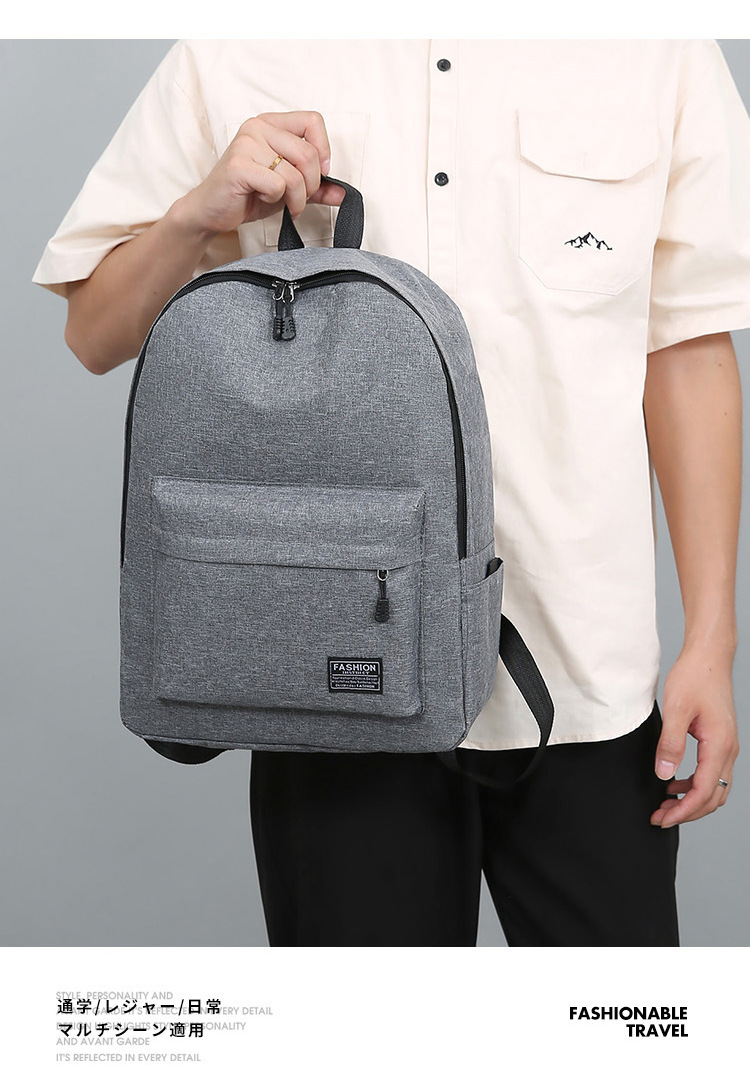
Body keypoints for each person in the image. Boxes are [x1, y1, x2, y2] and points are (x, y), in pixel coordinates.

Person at [33, 39, 748, 947]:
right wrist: (192, 219)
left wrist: (711, 640)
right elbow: (92, 331)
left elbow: (685, 344)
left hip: (587, 678)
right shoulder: (234, 40)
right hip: (329, 686)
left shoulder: (658, 41)